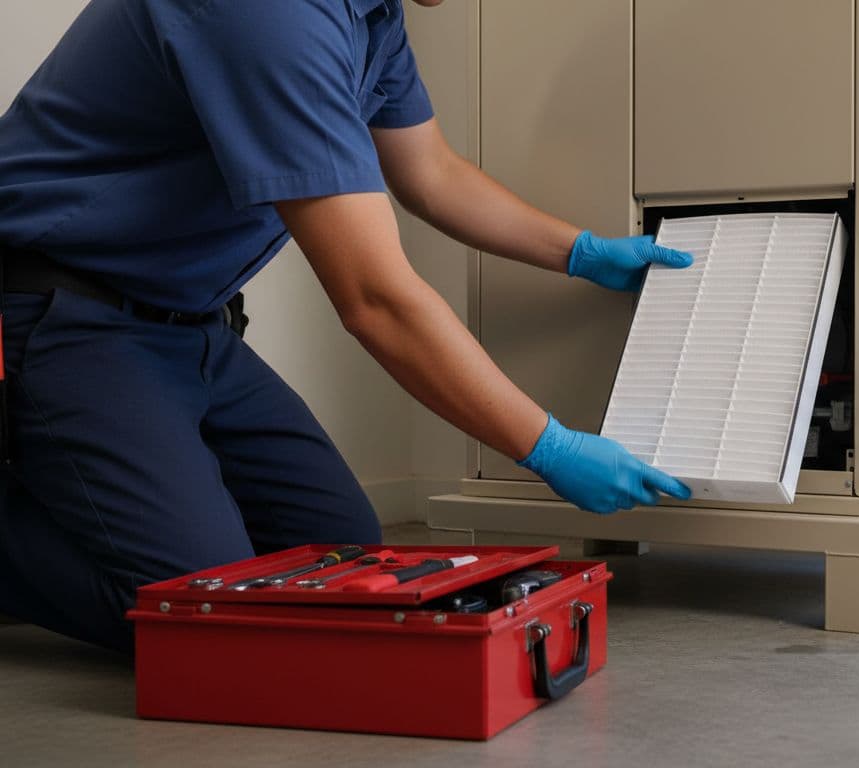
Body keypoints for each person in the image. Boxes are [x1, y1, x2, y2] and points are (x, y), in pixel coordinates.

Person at [0, 0, 693, 653]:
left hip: (188, 328)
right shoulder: (270, 17)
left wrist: (582, 253)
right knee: (211, 619)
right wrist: (548, 447)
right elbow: (374, 300)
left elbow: (430, 174)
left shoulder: (371, 15)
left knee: (339, 555)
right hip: (66, 315)